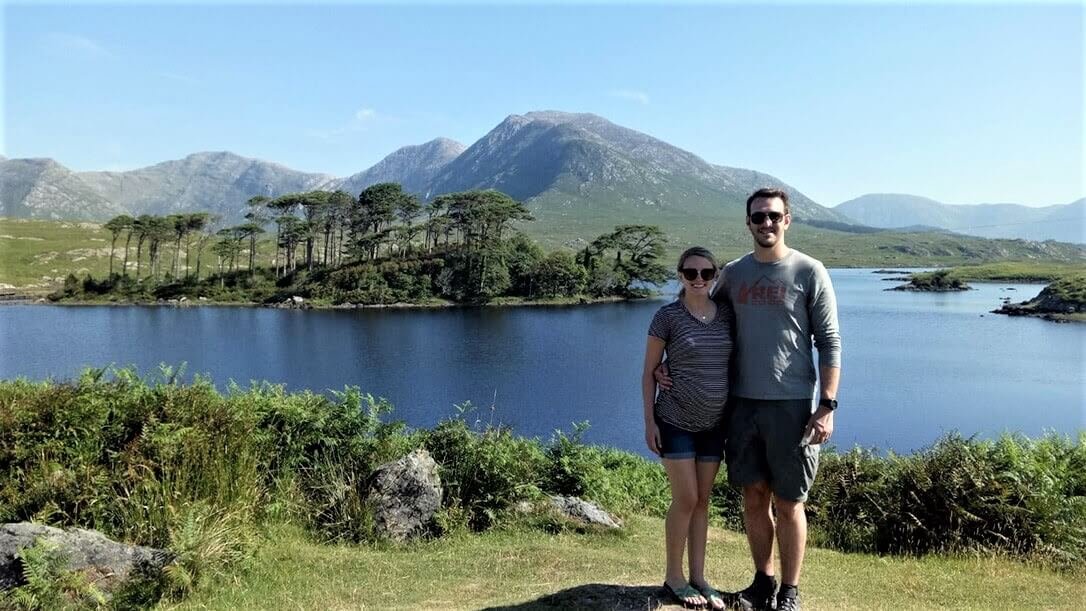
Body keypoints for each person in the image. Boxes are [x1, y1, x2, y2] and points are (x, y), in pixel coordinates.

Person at [657, 188, 841, 611]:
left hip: (793, 405)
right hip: (740, 405)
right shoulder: (734, 274)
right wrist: (662, 362)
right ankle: (763, 582)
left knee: (790, 502)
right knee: (754, 496)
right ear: (748, 223)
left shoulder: (810, 271)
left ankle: (790, 592)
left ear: (788, 220)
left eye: (774, 216)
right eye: (758, 217)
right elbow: (693, 311)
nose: (766, 223)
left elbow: (830, 343)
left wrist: (826, 405)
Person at [642, 246, 735, 610]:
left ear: (715, 276)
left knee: (703, 501)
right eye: (691, 272)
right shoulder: (666, 317)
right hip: (675, 420)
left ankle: (699, 577)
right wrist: (649, 421)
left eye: (707, 273)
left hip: (714, 424)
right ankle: (674, 576)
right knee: (687, 499)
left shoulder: (726, 315)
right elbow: (648, 372)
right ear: (679, 275)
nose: (699, 279)